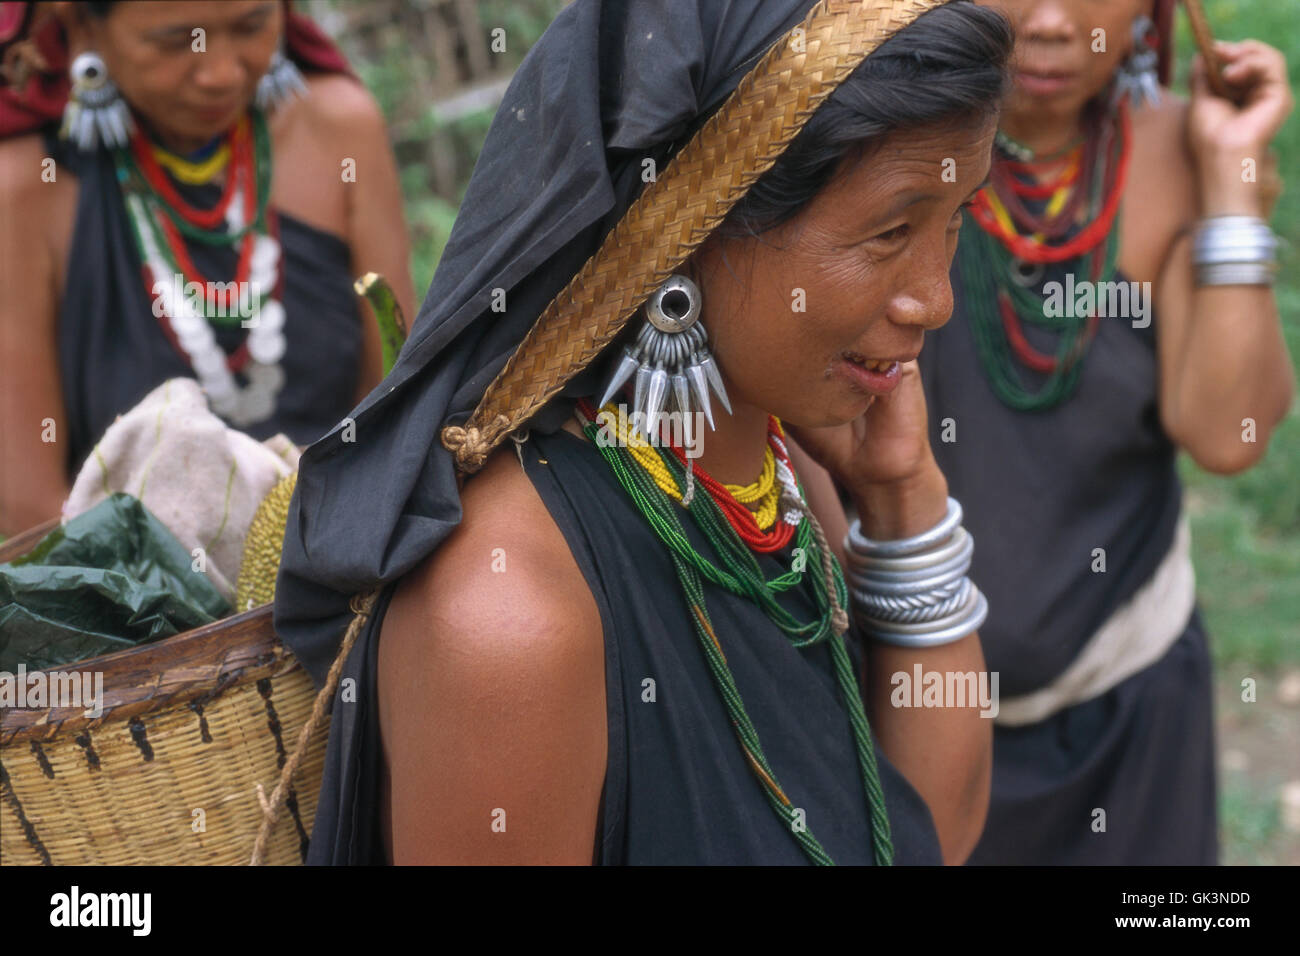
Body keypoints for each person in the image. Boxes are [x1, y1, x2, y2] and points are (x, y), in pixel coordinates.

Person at [272, 0, 1013, 866]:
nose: (935, 298)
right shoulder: (511, 621)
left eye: (954, 220)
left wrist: (904, 500)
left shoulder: (773, 490)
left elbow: (932, 838)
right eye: (892, 230)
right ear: (685, 228)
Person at [918, 0, 1294, 863]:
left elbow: (1229, 435)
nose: (1051, 22)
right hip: (903, 709)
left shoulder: (1173, 154)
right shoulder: (886, 151)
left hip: (1130, 709)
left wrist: (1231, 175)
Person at [0, 0, 416, 534]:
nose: (221, 72)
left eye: (251, 25)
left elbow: (398, 410)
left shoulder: (339, 130)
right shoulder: (28, 190)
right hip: (137, 601)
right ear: (82, 26)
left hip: (358, 560)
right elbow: (29, 511)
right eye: (176, 40)